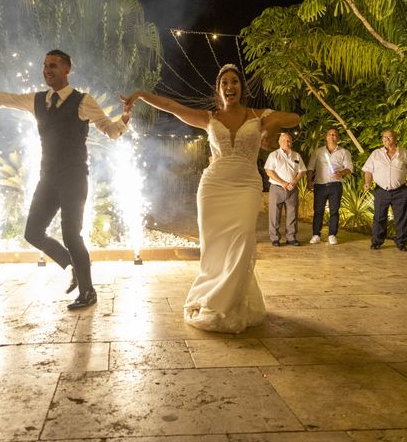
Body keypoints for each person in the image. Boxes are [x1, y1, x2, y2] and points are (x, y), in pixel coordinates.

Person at [122, 63, 300, 333]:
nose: (230, 87)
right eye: (224, 83)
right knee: (215, 247)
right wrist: (140, 95)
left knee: (242, 238)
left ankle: (223, 302)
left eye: (235, 82)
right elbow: (171, 105)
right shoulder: (208, 118)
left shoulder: (258, 115)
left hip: (246, 185)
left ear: (242, 87)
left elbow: (294, 118)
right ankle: (216, 298)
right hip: (214, 186)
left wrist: (272, 123)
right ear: (219, 90)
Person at [0, 49, 130, 310]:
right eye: (45, 65)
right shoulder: (37, 100)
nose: (47, 70)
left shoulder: (82, 101)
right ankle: (73, 266)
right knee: (32, 232)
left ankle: (88, 292)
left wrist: (124, 119)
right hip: (48, 177)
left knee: (71, 235)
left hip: (74, 177)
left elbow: (111, 131)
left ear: (67, 70)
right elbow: (5, 99)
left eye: (53, 65)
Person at [362, 130, 407, 251]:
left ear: (396, 139)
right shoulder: (376, 153)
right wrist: (367, 183)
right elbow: (368, 170)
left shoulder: (404, 153)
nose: (386, 139)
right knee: (379, 217)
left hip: (400, 191)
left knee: (401, 218)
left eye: (389, 137)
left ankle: (402, 243)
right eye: (384, 137)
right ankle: (376, 242)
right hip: (381, 191)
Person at [307, 128, 353, 245]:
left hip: (335, 185)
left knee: (334, 211)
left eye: (335, 135)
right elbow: (311, 168)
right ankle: (316, 234)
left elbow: (349, 168)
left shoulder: (344, 152)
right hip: (320, 185)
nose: (332, 136)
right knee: (318, 211)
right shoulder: (318, 152)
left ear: (338, 138)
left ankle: (332, 234)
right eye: (330, 134)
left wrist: (341, 173)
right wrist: (309, 181)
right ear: (326, 137)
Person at [264, 132, 306, 246]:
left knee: (292, 214)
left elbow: (302, 171)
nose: (286, 143)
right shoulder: (273, 155)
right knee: (274, 214)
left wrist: (295, 181)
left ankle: (291, 237)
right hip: (277, 188)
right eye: (284, 140)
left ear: (291, 142)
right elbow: (269, 171)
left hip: (292, 189)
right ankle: (275, 238)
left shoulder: (296, 155)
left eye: (288, 141)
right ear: (279, 142)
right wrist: (283, 183)